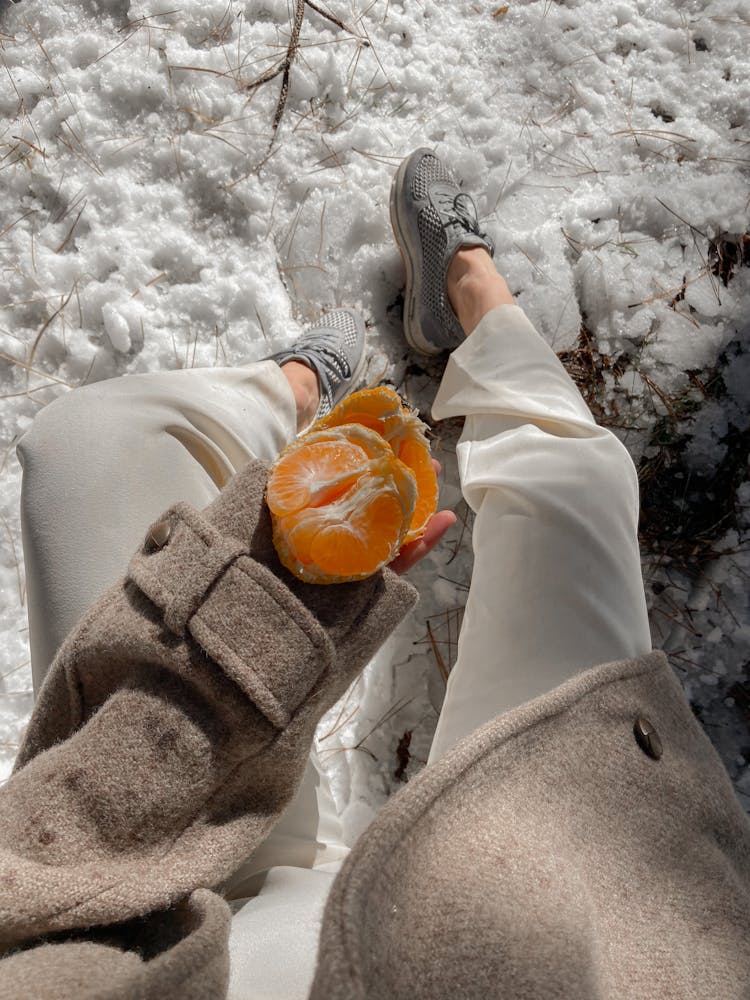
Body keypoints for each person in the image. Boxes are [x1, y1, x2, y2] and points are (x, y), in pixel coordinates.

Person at [2, 149, 749, 999]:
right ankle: (476, 298)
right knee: (579, 486)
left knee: (89, 444)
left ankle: (279, 394)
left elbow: (27, 888)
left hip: (188, 915)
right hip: (544, 903)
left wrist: (224, 650)